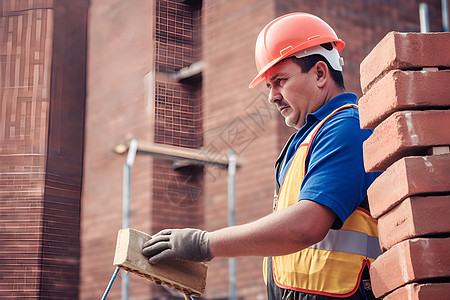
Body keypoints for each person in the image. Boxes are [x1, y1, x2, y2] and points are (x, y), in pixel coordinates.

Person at [142, 12, 381, 300]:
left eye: (280, 80)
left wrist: (206, 243)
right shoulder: (305, 140)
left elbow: (306, 226)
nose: (272, 96)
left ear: (319, 73)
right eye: (269, 86)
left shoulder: (346, 128)